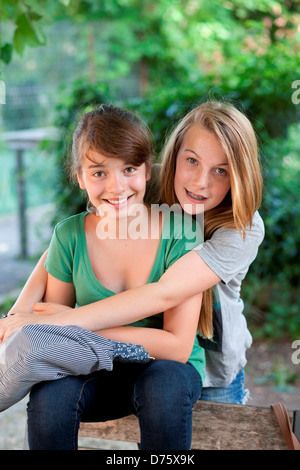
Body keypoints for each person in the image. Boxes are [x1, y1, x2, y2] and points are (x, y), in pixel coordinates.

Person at [1, 100, 264, 426]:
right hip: (144, 356)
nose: (199, 182)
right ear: (172, 158)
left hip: (211, 369)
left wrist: (65, 321)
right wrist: (19, 313)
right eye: (192, 161)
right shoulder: (143, 182)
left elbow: (163, 293)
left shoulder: (241, 227)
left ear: (240, 175)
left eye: (221, 170)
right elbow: (71, 237)